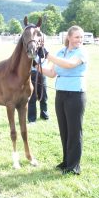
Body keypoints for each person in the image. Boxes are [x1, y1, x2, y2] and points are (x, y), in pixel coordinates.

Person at [40, 25, 88, 175]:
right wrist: (34, 65)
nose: (79, 40)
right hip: (60, 93)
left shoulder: (81, 52)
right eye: (76, 37)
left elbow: (69, 64)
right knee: (64, 129)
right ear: (69, 37)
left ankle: (74, 166)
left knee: (74, 130)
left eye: (81, 37)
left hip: (75, 95)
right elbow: (52, 73)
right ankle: (66, 161)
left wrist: (47, 55)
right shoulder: (61, 52)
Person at [28, 59, 49, 124]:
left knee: (44, 96)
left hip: (43, 73)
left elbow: (49, 58)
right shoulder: (31, 49)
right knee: (32, 97)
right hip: (33, 73)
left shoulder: (44, 50)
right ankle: (32, 119)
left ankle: (44, 115)